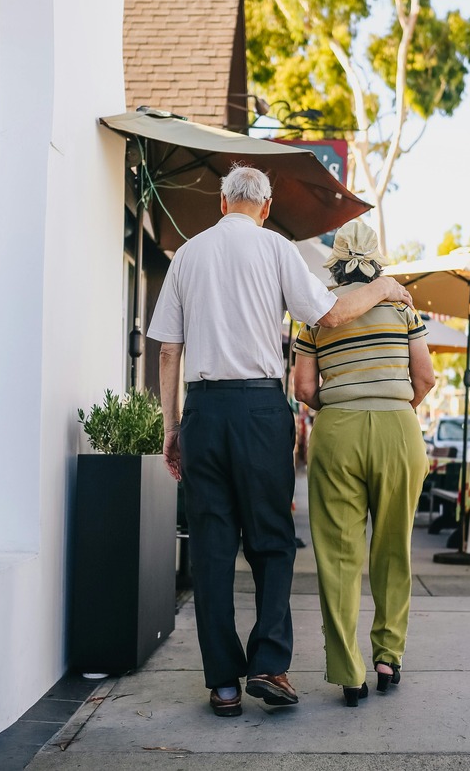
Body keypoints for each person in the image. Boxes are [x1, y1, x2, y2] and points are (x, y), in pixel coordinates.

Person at [147, 164, 415, 719]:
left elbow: (168, 351)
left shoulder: (188, 256)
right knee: (272, 540)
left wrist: (173, 429)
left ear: (223, 204)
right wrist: (385, 287)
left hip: (203, 408)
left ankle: (223, 684)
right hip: (259, 411)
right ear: (264, 208)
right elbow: (332, 314)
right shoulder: (276, 249)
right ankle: (269, 665)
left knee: (213, 551)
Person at [292, 220, 436, 707]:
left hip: (338, 432)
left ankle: (349, 671)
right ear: (377, 260)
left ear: (336, 259)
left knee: (337, 555)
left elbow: (304, 389)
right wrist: (393, 405)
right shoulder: (401, 306)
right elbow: (426, 377)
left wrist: (345, 407)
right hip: (399, 428)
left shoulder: (318, 311)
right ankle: (387, 656)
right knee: (394, 547)